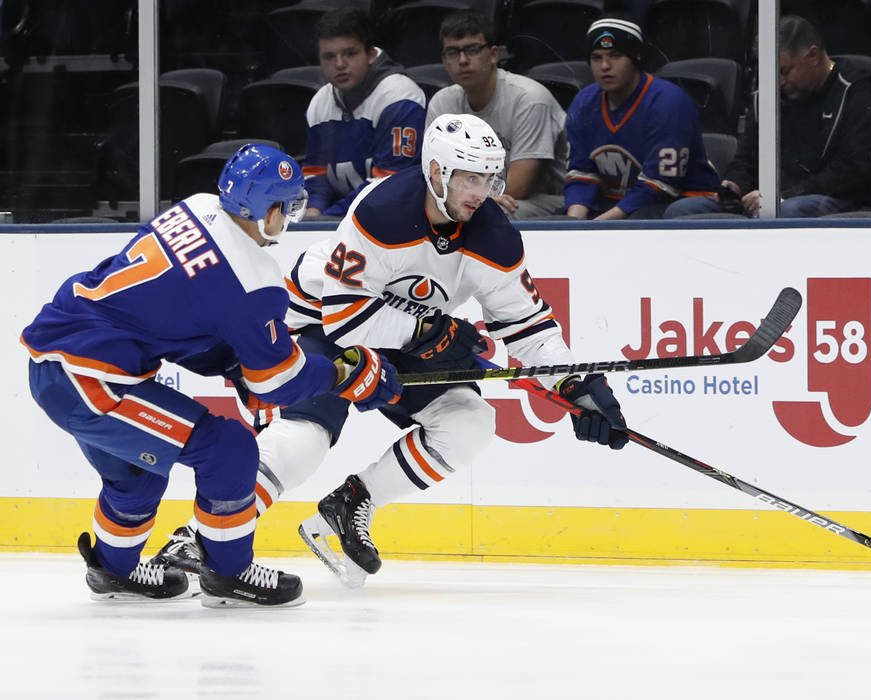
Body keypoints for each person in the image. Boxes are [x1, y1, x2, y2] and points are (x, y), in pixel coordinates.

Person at [156, 114, 630, 588]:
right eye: (469, 177)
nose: (480, 192)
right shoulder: (382, 211)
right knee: (304, 440)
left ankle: (352, 503)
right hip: (323, 321)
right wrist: (432, 333)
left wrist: (578, 385)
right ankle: (195, 538)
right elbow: (347, 318)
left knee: (470, 423)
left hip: (400, 331)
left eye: (488, 178)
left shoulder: (494, 236)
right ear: (437, 172)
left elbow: (529, 326)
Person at [21, 144, 402, 607]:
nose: (290, 219)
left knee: (136, 474)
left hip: (58, 358)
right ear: (265, 211)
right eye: (288, 206)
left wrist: (234, 365)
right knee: (229, 449)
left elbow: (175, 320)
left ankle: (114, 569)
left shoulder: (194, 208)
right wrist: (346, 373)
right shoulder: (254, 279)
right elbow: (279, 381)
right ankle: (230, 572)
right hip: (92, 378)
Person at [665, 15, 871, 219]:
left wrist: (782, 195)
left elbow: (852, 170)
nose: (779, 81)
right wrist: (734, 185)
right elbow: (746, 158)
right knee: (682, 210)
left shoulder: (854, 89)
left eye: (784, 71)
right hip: (766, 199)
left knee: (789, 211)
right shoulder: (766, 96)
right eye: (772, 72)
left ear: (813, 55)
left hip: (830, 198)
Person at [564, 17, 721, 220]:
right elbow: (581, 174)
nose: (604, 66)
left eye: (615, 55)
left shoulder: (668, 102)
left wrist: (596, 227)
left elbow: (659, 185)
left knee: (645, 218)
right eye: (596, 57)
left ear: (636, 58)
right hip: (616, 203)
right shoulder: (583, 102)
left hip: (678, 200)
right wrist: (575, 224)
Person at [426, 10, 568, 220]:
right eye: (453, 52)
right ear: (445, 61)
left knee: (492, 214)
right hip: (482, 196)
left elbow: (518, 187)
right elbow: (433, 176)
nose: (462, 60)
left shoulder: (528, 99)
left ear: (494, 55)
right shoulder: (442, 103)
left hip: (546, 201)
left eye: (472, 50)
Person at [303, 7, 426, 218]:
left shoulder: (400, 97)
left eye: (350, 53)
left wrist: (327, 219)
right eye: (329, 56)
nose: (339, 64)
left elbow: (388, 186)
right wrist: (313, 212)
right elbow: (317, 174)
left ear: (370, 54)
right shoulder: (319, 103)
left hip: (397, 221)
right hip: (340, 219)